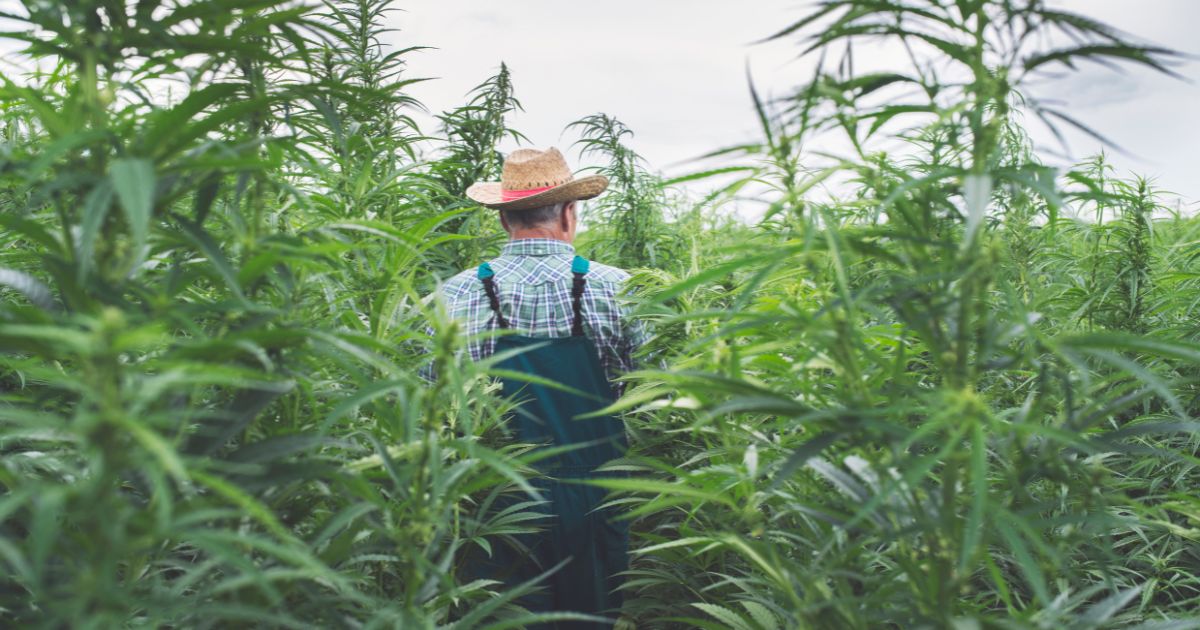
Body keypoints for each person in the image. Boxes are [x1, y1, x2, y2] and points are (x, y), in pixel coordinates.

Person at [427, 147, 647, 628]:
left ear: (504, 217)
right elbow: (662, 402)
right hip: (599, 493)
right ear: (570, 213)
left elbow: (425, 403)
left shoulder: (451, 297)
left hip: (495, 500)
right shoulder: (623, 290)